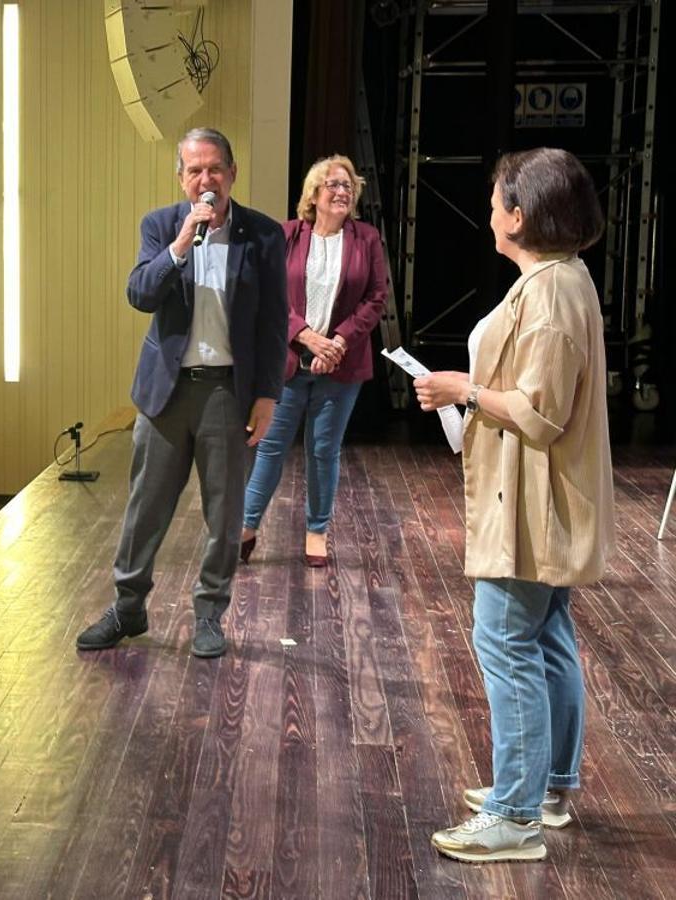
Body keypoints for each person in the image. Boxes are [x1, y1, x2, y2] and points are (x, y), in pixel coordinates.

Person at [414, 148, 614, 863]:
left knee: (506, 643)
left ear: (521, 215)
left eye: (497, 201)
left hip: (534, 501)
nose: (489, 212)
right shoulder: (555, 281)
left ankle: (516, 814)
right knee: (546, 637)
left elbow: (540, 413)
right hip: (536, 496)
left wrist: (463, 391)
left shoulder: (554, 293)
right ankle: (546, 787)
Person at [75, 127, 287, 659]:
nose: (205, 180)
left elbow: (272, 321)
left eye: (215, 168)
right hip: (166, 393)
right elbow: (140, 293)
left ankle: (210, 614)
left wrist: (268, 395)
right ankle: (128, 608)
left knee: (224, 514)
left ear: (232, 173)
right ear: (181, 177)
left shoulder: (262, 235)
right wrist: (179, 246)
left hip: (226, 392)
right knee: (144, 510)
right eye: (194, 170)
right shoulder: (163, 225)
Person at [240, 155, 388, 566]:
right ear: (314, 195)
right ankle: (247, 526)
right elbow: (267, 295)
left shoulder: (367, 239)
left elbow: (376, 298)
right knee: (270, 448)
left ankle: (317, 530)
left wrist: (338, 341)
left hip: (342, 367)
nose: (343, 192)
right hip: (287, 363)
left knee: (324, 450)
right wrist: (305, 337)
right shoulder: (285, 235)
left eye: (348, 186)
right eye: (334, 185)